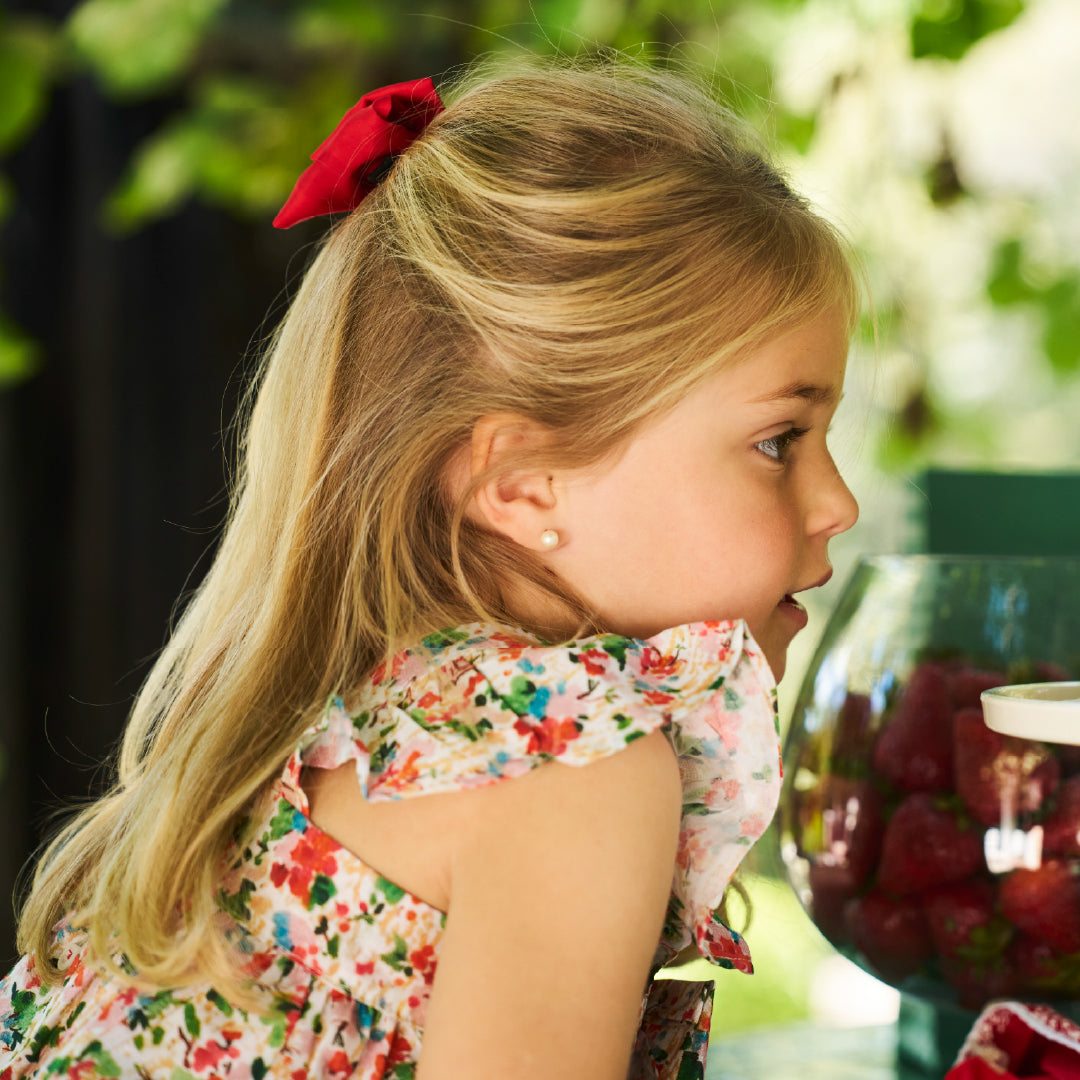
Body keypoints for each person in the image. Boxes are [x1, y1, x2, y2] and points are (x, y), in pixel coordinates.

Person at [0, 56, 859, 1080]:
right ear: (525, 483)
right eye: (780, 440)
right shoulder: (572, 770)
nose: (838, 504)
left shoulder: (379, 713)